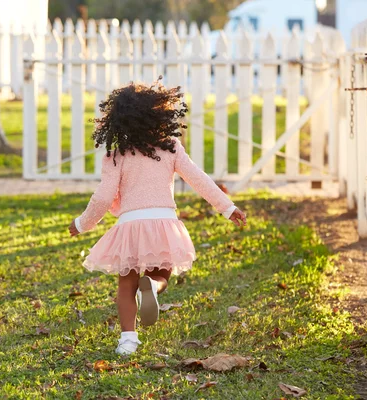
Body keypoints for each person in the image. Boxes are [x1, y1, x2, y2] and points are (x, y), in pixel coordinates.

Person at [69, 80, 246, 355]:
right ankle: (151, 286)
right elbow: (199, 179)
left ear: (119, 122)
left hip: (129, 225)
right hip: (163, 222)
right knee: (162, 273)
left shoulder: (116, 156)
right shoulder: (171, 147)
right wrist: (227, 207)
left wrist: (82, 223)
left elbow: (103, 197)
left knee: (125, 284)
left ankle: (128, 341)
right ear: (160, 116)